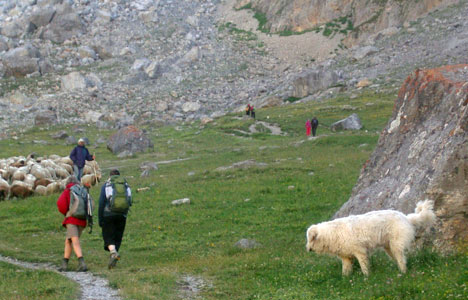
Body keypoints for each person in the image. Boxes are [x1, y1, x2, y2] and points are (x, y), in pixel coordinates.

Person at [99, 169, 132, 269]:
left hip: (108, 214)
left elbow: (101, 202)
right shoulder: (125, 185)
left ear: (110, 176)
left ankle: (113, 253)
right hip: (122, 215)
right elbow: (129, 200)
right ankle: (114, 255)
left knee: (108, 235)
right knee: (118, 236)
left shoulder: (107, 185)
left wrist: (100, 218)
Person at [56, 176, 89, 272]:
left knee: (74, 241)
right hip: (82, 220)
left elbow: (60, 204)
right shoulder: (82, 191)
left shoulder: (68, 191)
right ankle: (64, 264)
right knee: (68, 241)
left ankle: (82, 263)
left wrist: (67, 213)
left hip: (72, 220)